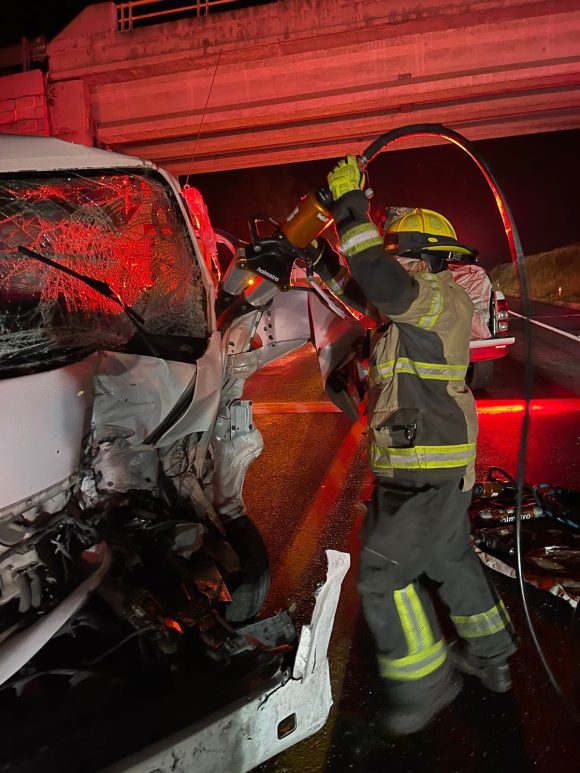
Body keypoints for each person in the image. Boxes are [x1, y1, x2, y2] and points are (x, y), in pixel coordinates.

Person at [313, 155, 518, 736]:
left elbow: (378, 276)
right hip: (422, 466)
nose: (394, 261)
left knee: (382, 575)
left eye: (399, 250)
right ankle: (492, 654)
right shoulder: (411, 308)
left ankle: (426, 686)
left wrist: (353, 211)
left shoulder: (435, 298)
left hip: (427, 471)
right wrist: (318, 251)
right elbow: (363, 283)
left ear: (424, 256)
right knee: (451, 562)